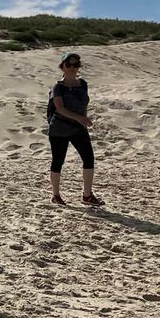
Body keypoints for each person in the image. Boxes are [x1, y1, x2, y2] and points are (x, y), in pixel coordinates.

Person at [48, 51, 104, 207]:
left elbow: (83, 103)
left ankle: (87, 195)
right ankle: (56, 195)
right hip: (59, 128)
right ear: (63, 67)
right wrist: (79, 118)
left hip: (78, 128)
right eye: (69, 64)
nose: (72, 67)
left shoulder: (83, 84)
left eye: (76, 64)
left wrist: (83, 118)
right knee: (58, 161)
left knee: (88, 159)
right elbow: (60, 108)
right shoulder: (58, 87)